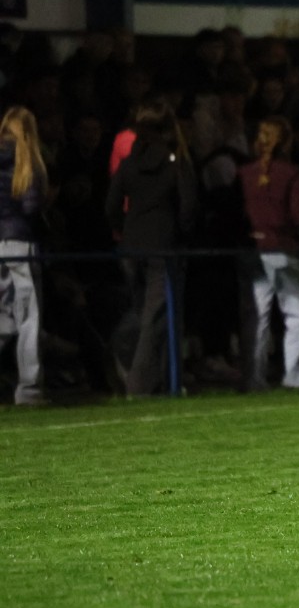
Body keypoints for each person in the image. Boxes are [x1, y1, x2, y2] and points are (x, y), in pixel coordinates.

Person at [106, 100, 197, 397]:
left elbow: (111, 206)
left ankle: (164, 380)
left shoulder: (129, 164)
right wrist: (179, 234)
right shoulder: (176, 162)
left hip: (131, 247)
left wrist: (124, 231)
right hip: (164, 248)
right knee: (155, 318)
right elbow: (188, 208)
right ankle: (139, 385)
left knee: (142, 313)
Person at [238, 117, 299, 390]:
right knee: (298, 313)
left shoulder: (244, 174)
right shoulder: (292, 174)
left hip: (251, 249)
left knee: (255, 316)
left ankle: (253, 379)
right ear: (287, 142)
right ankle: (297, 377)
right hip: (283, 249)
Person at [0, 106, 47, 404]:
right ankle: (29, 389)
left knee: (4, 315)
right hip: (20, 243)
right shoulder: (26, 159)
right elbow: (30, 207)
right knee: (29, 316)